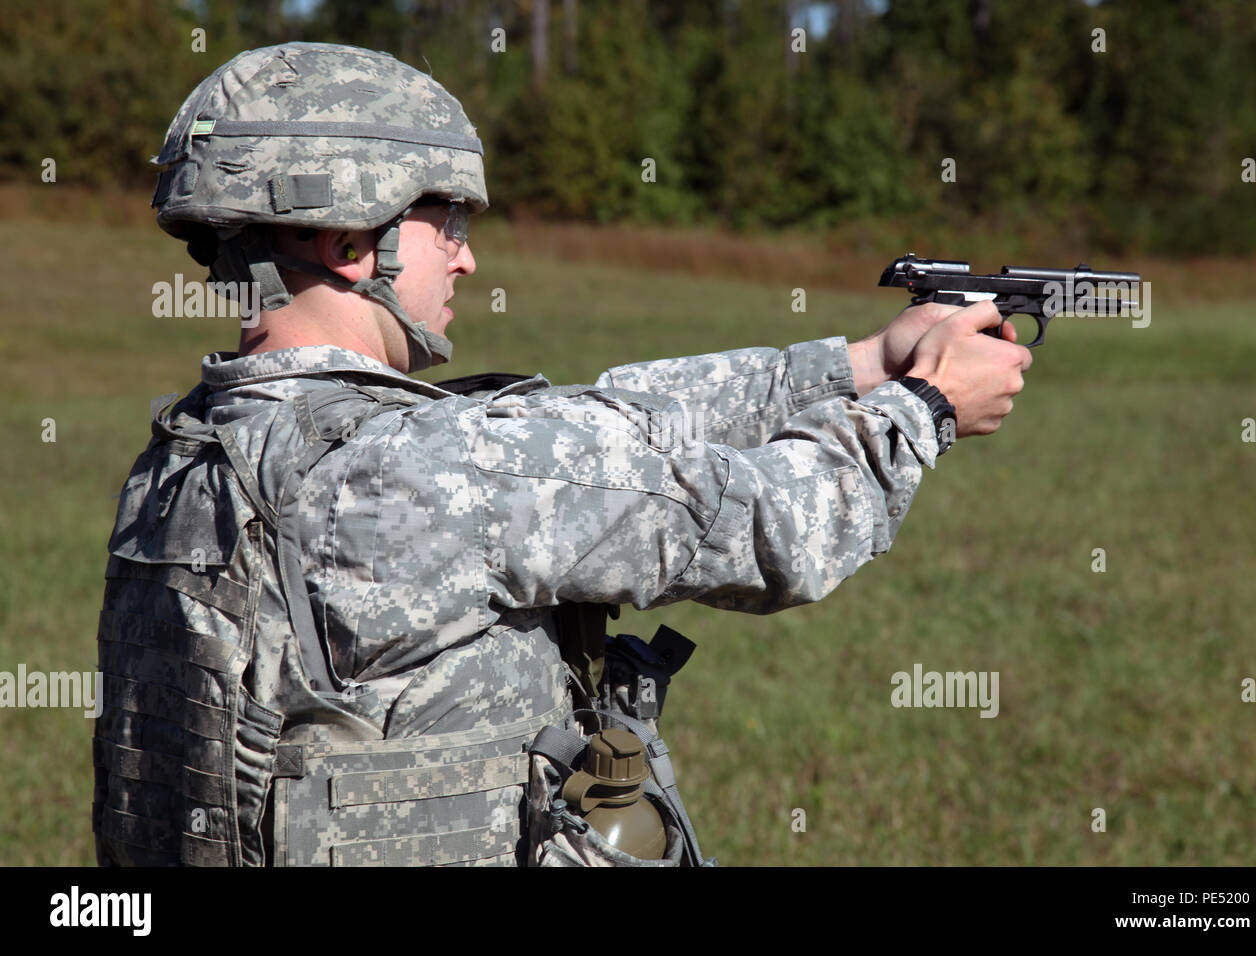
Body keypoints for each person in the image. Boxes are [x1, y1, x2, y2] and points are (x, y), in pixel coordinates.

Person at [92, 42, 1030, 867]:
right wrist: (927, 405)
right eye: (446, 223)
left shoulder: (185, 458)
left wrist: (862, 364)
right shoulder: (432, 466)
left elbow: (605, 424)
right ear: (348, 240)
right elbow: (780, 527)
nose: (465, 259)